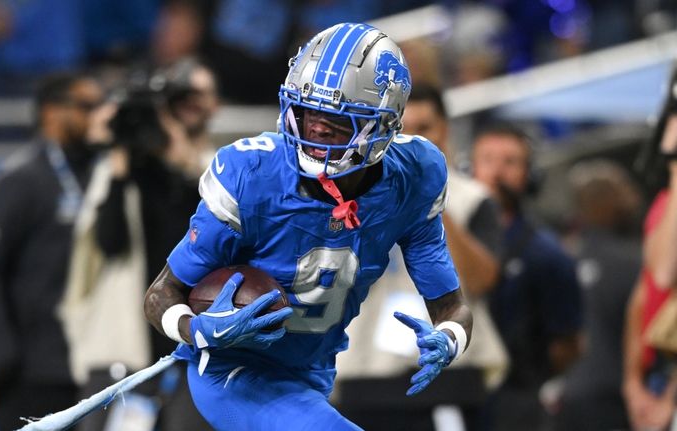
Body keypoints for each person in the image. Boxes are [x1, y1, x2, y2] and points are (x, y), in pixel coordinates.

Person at [143, 22, 473, 430]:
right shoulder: (252, 175)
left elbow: (452, 307)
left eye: (336, 120)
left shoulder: (413, 177)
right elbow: (161, 294)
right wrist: (199, 329)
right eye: (307, 111)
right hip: (233, 372)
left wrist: (450, 338)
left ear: (382, 126)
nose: (315, 129)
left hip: (312, 374)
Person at [335, 83, 506, 431]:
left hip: (446, 379)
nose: (411, 140)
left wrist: (429, 199)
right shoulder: (350, 199)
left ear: (445, 130)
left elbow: (482, 280)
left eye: (424, 128)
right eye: (401, 128)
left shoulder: (473, 199)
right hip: (363, 377)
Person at [59, 63, 213, 431]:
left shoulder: (213, 171)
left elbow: (216, 238)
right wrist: (118, 159)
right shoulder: (115, 174)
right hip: (124, 349)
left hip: (189, 348)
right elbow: (108, 245)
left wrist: (183, 161)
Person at [0, 72, 103, 431]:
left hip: (92, 364)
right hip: (32, 372)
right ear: (52, 113)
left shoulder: (103, 176)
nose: (100, 115)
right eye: (88, 107)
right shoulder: (23, 179)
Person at [470, 123, 582, 431]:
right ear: (470, 167)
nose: (496, 172)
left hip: (515, 399)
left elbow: (568, 342)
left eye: (510, 162)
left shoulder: (546, 254)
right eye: (488, 159)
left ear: (529, 175)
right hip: (455, 389)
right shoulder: (447, 237)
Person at [555, 160, 642, 431]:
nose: (633, 199)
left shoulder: (560, 258)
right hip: (617, 400)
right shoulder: (635, 263)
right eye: (624, 191)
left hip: (565, 397)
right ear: (606, 201)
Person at [622, 65, 677, 431]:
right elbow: (646, 289)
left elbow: (666, 269)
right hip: (658, 373)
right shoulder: (664, 200)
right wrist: (631, 381)